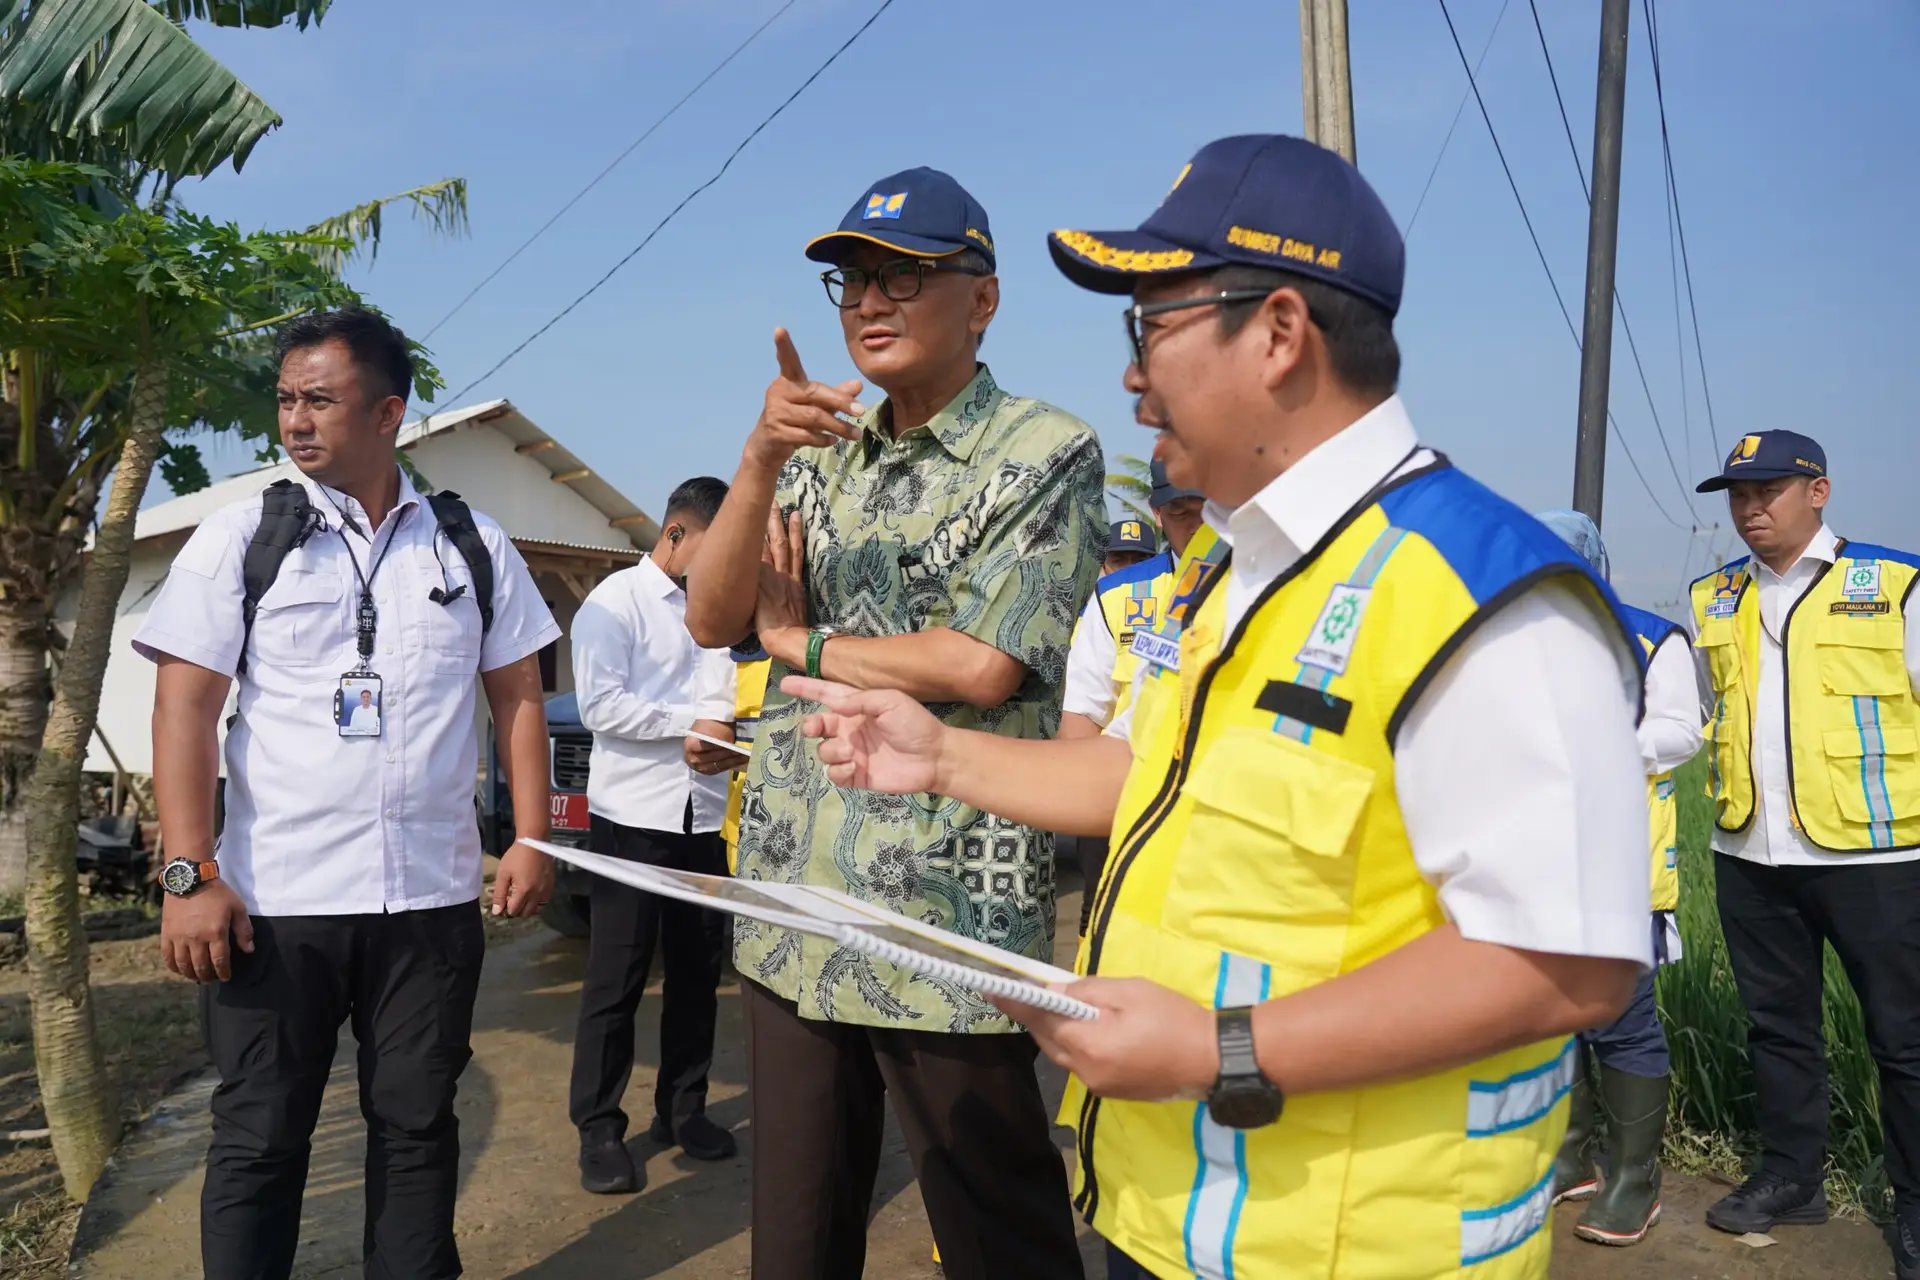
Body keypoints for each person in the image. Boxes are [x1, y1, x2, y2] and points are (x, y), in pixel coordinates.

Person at [783, 134, 1652, 1280]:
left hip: (1355, 1247)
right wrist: (939, 754)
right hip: (1179, 1214)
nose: (1133, 375)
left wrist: (1211, 1047)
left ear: (1281, 333)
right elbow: (1153, 771)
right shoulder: (1243, 574)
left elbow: (1567, 960)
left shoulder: (1483, 595)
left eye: (1152, 326)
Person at [682, 165, 1102, 1280]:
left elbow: (978, 660)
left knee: (997, 1233)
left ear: (984, 299)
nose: (870, 300)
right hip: (793, 896)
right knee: (798, 1236)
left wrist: (800, 646)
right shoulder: (817, 456)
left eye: (906, 276)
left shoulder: (1042, 450)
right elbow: (712, 614)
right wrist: (762, 457)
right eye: (854, 279)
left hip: (943, 909)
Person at [140, 308, 560, 1280]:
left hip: (427, 901)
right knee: (260, 1135)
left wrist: (532, 834)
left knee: (416, 1128)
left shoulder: (469, 543)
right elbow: (185, 708)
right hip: (273, 904)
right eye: (285, 399)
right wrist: (188, 871)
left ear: (386, 413)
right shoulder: (244, 533)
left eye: (318, 399)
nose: (295, 420)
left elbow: (520, 697)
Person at [1687, 430, 1920, 1277]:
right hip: (1751, 850)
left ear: (1817, 493)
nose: (1751, 508)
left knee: (1904, 1038)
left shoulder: (1893, 584)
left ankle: (1916, 1205)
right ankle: (1792, 1178)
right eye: (1738, 495)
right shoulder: (1711, 597)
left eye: (1770, 491)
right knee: (1778, 1029)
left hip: (1877, 857)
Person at [568, 476, 742, 1192]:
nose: (724, 564)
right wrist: (691, 727)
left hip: (702, 817)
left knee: (699, 974)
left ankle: (684, 1108)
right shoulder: (614, 605)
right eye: (716, 546)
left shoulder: (717, 608)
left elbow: (722, 694)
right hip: (632, 824)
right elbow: (600, 707)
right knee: (618, 977)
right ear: (675, 534)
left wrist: (724, 730)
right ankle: (600, 1128)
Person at [1538, 510, 1703, 1246]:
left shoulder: (1649, 636)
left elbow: (1682, 730)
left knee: (1623, 1023)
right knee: (1550, 1019)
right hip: (1533, 869)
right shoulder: (1513, 633)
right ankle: (1569, 1160)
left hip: (1618, 870)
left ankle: (1636, 1181)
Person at [1060, 460, 1206, 935]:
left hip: (1214, 808)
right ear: (1157, 513)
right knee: (1104, 926)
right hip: (1121, 799)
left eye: (1207, 509)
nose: (1198, 525)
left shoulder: (1266, 585)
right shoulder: (1117, 596)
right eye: (1181, 512)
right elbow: (1081, 720)